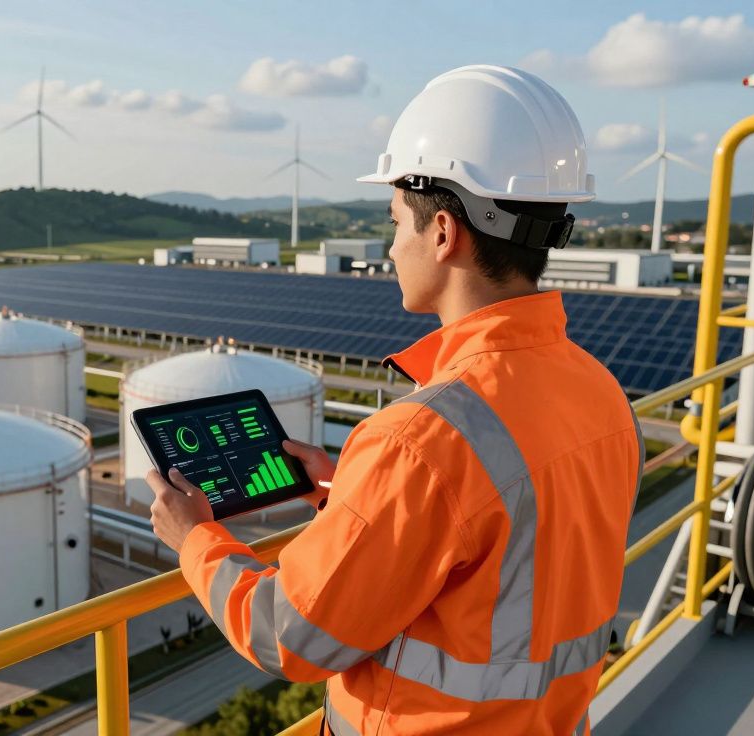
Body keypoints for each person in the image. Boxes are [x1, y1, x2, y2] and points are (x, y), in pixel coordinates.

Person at [147, 65, 643, 735]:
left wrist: (195, 538)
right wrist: (348, 496)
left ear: (442, 232)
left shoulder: (421, 439)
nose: (390, 249)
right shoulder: (601, 392)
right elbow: (507, 553)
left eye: (394, 224)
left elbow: (288, 635)